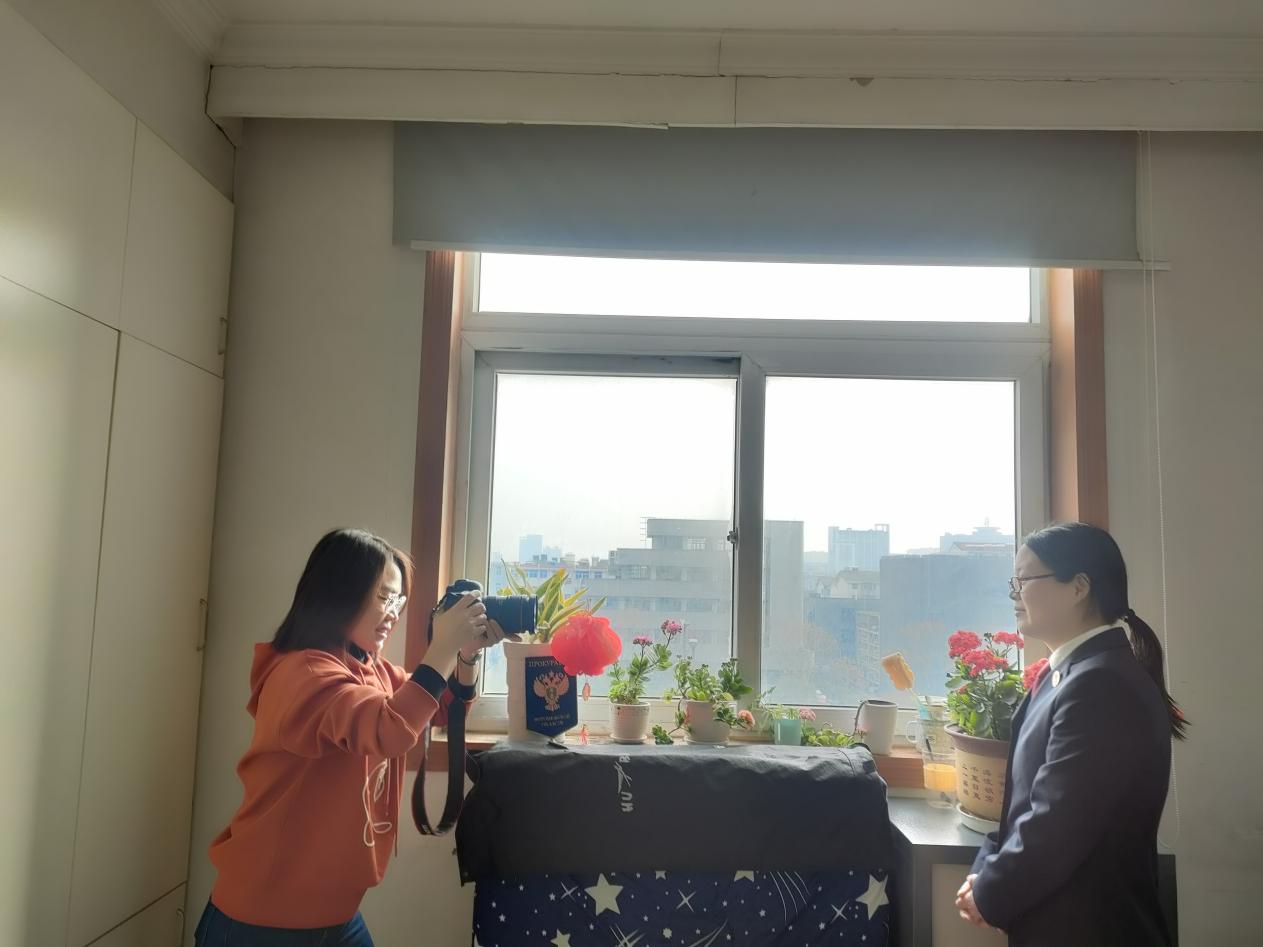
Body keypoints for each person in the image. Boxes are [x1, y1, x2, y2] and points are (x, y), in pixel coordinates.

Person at [195, 528, 512, 946]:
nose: (393, 613)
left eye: (398, 601)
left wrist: (465, 653)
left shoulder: (370, 670)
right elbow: (391, 728)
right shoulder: (304, 674)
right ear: (339, 592)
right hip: (263, 917)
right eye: (383, 597)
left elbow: (438, 707)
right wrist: (441, 647)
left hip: (334, 914)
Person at [955, 522, 1187, 946]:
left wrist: (990, 892)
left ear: (1079, 587)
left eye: (1024, 580)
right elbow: (1024, 806)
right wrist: (986, 872)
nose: (1014, 594)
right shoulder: (1073, 674)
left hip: (1091, 928)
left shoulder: (1101, 684)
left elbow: (1060, 821)